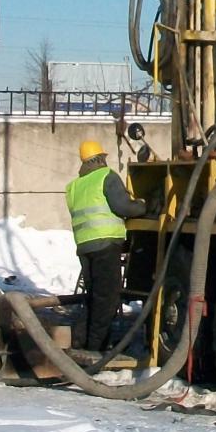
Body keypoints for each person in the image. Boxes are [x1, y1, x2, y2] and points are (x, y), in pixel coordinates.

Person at [66, 140, 148, 353]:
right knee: (107, 299)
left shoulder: (74, 186)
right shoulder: (106, 176)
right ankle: (96, 348)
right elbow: (123, 206)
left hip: (85, 247)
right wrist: (142, 205)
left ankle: (81, 340)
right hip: (105, 245)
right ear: (101, 157)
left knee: (94, 296)